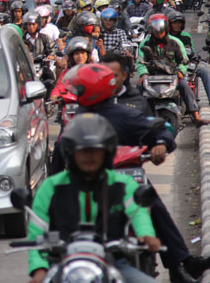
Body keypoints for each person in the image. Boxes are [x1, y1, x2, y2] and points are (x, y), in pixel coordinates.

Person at [62, 63, 210, 282]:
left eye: (80, 88)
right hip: (83, 185)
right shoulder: (75, 119)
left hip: (124, 178)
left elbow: (160, 128)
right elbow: (60, 155)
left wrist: (161, 144)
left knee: (153, 205)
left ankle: (178, 263)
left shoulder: (123, 113)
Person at [28, 113, 161, 283]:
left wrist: (146, 235)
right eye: (83, 150)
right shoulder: (51, 187)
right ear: (71, 152)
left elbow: (138, 213)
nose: (89, 156)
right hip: (60, 264)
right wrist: (39, 269)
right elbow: (36, 233)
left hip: (113, 263)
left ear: (106, 152)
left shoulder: (123, 185)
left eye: (95, 150)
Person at [136, 14, 210, 127]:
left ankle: (195, 116)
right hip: (151, 76)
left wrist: (180, 71)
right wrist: (143, 74)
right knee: (139, 90)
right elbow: (140, 61)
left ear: (166, 29)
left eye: (161, 31)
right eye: (156, 32)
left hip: (172, 75)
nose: (159, 34)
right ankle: (138, 119)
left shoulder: (175, 42)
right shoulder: (145, 43)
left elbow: (184, 60)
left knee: (185, 86)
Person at [167, 11, 210, 105]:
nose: (177, 25)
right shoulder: (166, 37)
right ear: (169, 24)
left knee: (205, 71)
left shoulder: (186, 36)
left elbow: (192, 51)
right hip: (171, 65)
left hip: (186, 64)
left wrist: (194, 58)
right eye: (175, 23)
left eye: (179, 23)